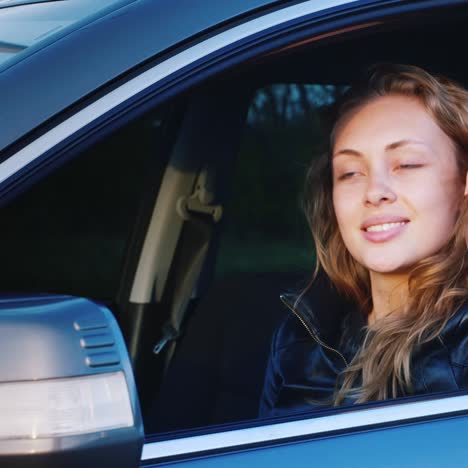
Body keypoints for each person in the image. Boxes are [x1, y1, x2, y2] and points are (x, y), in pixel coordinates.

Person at [260, 64, 468, 417]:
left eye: (406, 164)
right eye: (351, 173)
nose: (375, 192)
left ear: (464, 182)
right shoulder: (301, 336)